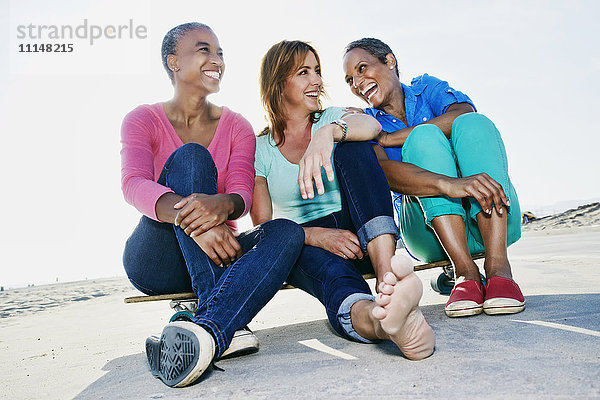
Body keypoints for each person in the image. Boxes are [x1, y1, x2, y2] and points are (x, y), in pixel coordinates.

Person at [120, 23, 305, 387]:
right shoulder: (142, 119)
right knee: (190, 158)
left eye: (220, 53)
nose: (216, 60)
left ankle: (210, 327)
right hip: (157, 258)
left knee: (286, 232)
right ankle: (219, 309)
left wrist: (218, 208)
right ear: (173, 62)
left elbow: (240, 195)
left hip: (219, 250)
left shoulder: (236, 125)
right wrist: (194, 221)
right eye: (204, 50)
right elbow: (133, 184)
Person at [251, 40, 435, 360]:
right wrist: (317, 236)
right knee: (333, 278)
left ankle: (387, 283)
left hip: (365, 234)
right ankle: (383, 324)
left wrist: (330, 133)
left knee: (354, 145)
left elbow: (371, 124)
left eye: (318, 71)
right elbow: (265, 227)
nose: (317, 81)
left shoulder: (331, 118)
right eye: (304, 72)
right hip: (305, 242)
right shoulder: (260, 149)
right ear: (278, 82)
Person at [341, 37, 525, 318]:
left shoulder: (426, 88)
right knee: (423, 138)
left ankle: (499, 267)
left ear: (389, 61)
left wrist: (392, 138)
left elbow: (463, 111)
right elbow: (382, 173)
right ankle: (464, 273)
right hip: (429, 235)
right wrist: (448, 184)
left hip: (493, 220)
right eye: (350, 80)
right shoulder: (367, 122)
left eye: (362, 68)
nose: (357, 83)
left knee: (474, 123)